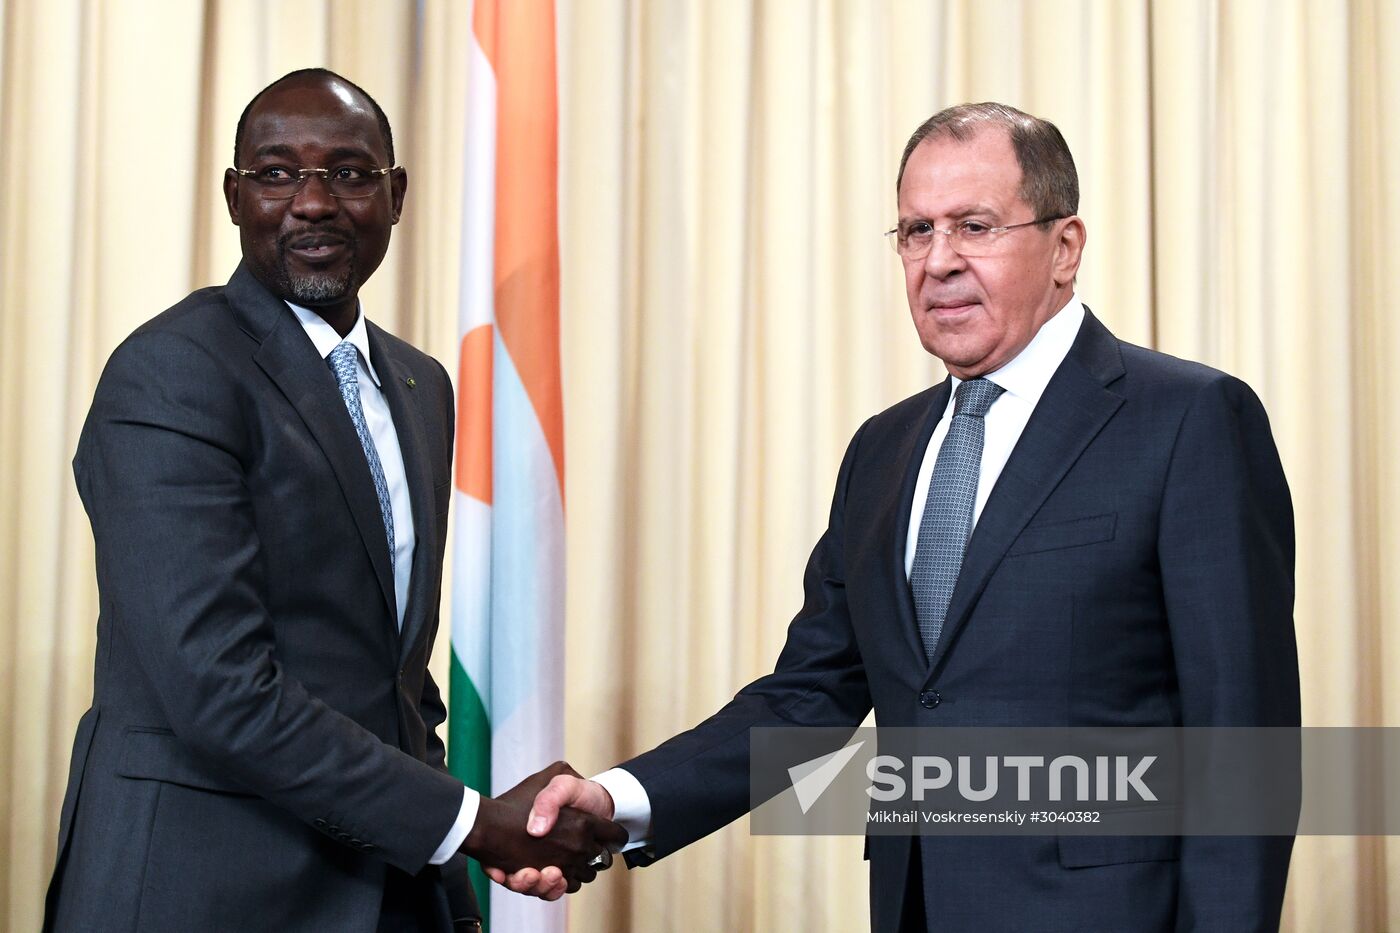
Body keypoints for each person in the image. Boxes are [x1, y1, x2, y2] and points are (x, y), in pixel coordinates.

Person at [509, 103, 1300, 931]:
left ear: (1065, 248)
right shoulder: (882, 450)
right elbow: (808, 698)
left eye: (976, 226)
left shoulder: (1190, 419)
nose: (940, 261)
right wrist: (614, 798)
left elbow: (1245, 744)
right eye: (917, 231)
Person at [43, 68, 623, 933]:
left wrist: (450, 888)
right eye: (277, 174)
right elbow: (219, 689)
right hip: (201, 888)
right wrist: (471, 823)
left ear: (395, 196)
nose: (312, 202)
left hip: (382, 885)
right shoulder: (171, 374)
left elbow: (389, 678)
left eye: (349, 174)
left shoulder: (422, 385)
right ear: (235, 197)